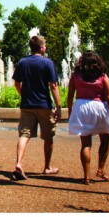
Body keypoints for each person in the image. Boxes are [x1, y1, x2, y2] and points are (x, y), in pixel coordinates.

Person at [12, 34, 62, 180]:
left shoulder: (22, 62)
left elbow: (16, 83)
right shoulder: (47, 63)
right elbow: (53, 86)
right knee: (48, 137)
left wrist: (24, 95)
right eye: (44, 45)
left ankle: (19, 164)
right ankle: (47, 167)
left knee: (24, 134)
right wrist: (58, 106)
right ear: (41, 48)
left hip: (27, 105)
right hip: (44, 105)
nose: (45, 47)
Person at [66, 50, 109, 184]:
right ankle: (101, 169)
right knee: (105, 140)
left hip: (81, 107)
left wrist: (71, 112)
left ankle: (86, 176)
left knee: (85, 144)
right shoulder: (102, 76)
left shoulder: (75, 76)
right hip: (99, 107)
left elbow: (70, 95)